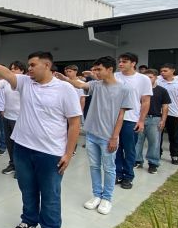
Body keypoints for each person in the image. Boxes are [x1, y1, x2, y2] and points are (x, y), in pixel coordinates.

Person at [0, 52, 81, 228]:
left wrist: (67, 153)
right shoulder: (25, 83)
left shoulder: (65, 88)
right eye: (28, 65)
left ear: (47, 65)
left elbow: (74, 123)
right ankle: (29, 219)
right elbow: (6, 74)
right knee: (27, 188)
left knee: (50, 192)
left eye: (32, 65)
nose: (28, 68)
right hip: (22, 147)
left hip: (50, 152)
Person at [57, 56, 132, 215]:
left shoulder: (124, 89)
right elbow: (79, 83)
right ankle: (97, 195)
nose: (95, 72)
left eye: (99, 69)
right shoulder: (95, 85)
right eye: (94, 69)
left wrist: (114, 137)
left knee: (109, 168)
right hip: (91, 134)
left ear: (110, 69)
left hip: (108, 136)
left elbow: (121, 116)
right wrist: (65, 79)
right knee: (94, 166)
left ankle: (107, 198)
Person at [108, 53, 152, 190]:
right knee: (116, 148)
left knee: (129, 149)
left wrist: (141, 120)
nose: (120, 64)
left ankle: (128, 176)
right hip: (114, 119)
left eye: (124, 62)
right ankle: (118, 173)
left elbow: (145, 101)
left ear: (133, 63)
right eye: (119, 61)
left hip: (131, 119)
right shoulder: (115, 76)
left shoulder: (143, 79)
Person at [135, 69, 170, 174]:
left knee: (154, 142)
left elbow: (165, 106)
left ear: (155, 77)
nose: (148, 79)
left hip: (154, 119)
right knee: (137, 141)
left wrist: (163, 120)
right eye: (145, 77)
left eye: (150, 77)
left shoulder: (162, 90)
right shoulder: (138, 89)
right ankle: (137, 160)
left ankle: (153, 163)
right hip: (139, 118)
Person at [157, 63, 178, 164]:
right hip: (159, 113)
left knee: (173, 136)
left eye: (165, 71)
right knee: (158, 136)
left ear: (172, 70)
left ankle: (174, 155)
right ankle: (157, 154)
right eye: (161, 71)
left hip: (173, 113)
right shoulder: (158, 81)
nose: (162, 73)